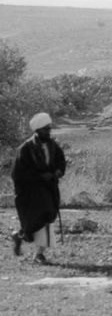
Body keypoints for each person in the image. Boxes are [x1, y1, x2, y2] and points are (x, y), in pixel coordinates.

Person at [10, 113, 66, 264]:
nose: (49, 132)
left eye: (49, 128)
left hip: (49, 189)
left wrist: (58, 172)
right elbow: (17, 174)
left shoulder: (53, 145)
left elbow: (61, 161)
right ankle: (21, 236)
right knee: (35, 222)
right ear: (38, 130)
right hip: (31, 192)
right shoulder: (25, 148)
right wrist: (39, 177)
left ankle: (38, 253)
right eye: (46, 129)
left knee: (47, 218)